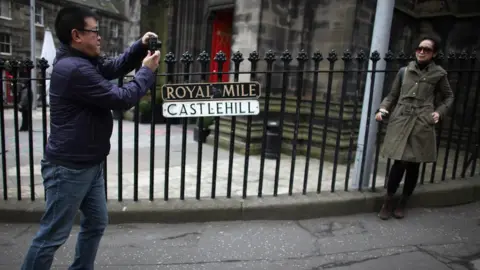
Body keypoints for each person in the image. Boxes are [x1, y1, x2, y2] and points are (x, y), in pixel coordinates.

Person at [21, 6, 160, 270]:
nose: (99, 37)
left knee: (96, 223)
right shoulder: (74, 69)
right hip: (69, 168)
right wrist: (146, 72)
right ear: (76, 35)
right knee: (51, 236)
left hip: (89, 164)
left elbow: (113, 66)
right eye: (94, 31)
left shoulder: (84, 60)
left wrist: (139, 47)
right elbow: (121, 99)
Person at [375, 36, 454, 220]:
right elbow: (393, 94)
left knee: (413, 164)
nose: (421, 51)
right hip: (402, 118)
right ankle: (388, 201)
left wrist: (439, 113)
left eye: (426, 49)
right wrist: (383, 109)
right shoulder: (404, 71)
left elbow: (449, 97)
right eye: (419, 48)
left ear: (434, 53)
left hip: (421, 122)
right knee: (398, 162)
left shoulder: (439, 74)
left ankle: (403, 202)